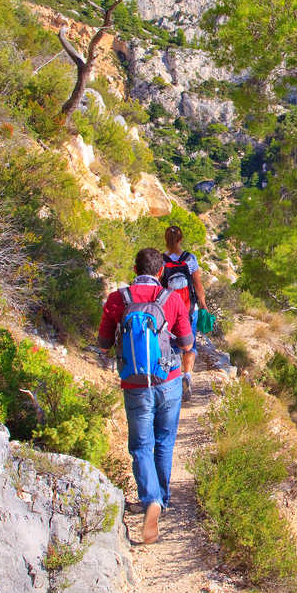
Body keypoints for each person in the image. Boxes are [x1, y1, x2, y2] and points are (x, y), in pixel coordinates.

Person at [97, 247, 193, 544]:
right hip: (168, 381)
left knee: (141, 445)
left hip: (135, 384)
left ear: (134, 269)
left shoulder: (118, 299)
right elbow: (187, 343)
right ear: (160, 271)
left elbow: (102, 344)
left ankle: (150, 498)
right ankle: (161, 500)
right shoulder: (171, 299)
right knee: (164, 441)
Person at [161, 225, 207, 400]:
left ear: (166, 240)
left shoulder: (161, 260)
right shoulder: (190, 259)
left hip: (168, 310)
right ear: (181, 239)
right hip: (189, 308)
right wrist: (203, 304)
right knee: (190, 344)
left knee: (171, 345)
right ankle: (187, 375)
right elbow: (197, 284)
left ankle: (172, 380)